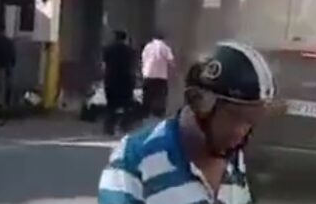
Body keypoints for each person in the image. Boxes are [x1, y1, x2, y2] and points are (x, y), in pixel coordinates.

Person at [97, 40, 275, 204]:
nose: (242, 132)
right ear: (198, 101)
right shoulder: (134, 159)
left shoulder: (237, 163)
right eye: (234, 117)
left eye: (251, 120)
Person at [102, 31, 137, 137]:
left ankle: (108, 128)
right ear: (124, 39)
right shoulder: (129, 51)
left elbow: (104, 64)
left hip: (110, 80)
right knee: (127, 105)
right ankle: (124, 126)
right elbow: (132, 66)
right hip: (125, 80)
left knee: (111, 106)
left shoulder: (107, 49)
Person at [140, 32, 175, 118]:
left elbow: (143, 59)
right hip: (161, 76)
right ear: (163, 39)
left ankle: (145, 113)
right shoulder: (165, 47)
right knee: (160, 95)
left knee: (147, 95)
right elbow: (171, 61)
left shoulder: (147, 47)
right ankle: (159, 113)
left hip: (148, 75)